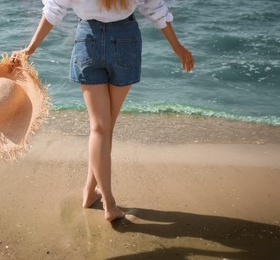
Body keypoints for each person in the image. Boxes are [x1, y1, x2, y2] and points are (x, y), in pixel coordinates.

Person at [11, 0, 194, 222]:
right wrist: (178, 47)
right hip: (125, 41)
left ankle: (89, 193)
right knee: (105, 128)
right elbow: (155, 10)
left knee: (100, 128)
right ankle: (109, 203)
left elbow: (53, 10)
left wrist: (30, 49)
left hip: (88, 41)